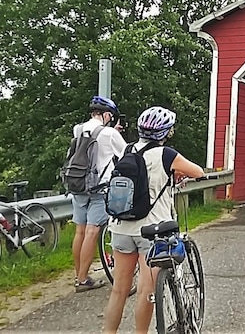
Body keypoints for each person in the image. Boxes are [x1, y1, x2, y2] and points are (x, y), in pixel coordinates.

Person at [103, 106, 205, 333]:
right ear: (166, 133)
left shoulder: (126, 150)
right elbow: (198, 171)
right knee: (146, 292)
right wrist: (177, 172)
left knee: (119, 290)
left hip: (120, 228)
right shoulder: (167, 154)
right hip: (153, 231)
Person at [72, 96, 126, 292]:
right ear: (105, 115)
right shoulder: (109, 133)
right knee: (92, 231)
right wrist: (115, 135)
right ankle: (83, 279)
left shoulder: (77, 129)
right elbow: (126, 154)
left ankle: (79, 276)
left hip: (78, 185)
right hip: (98, 188)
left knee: (80, 231)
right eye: (110, 116)